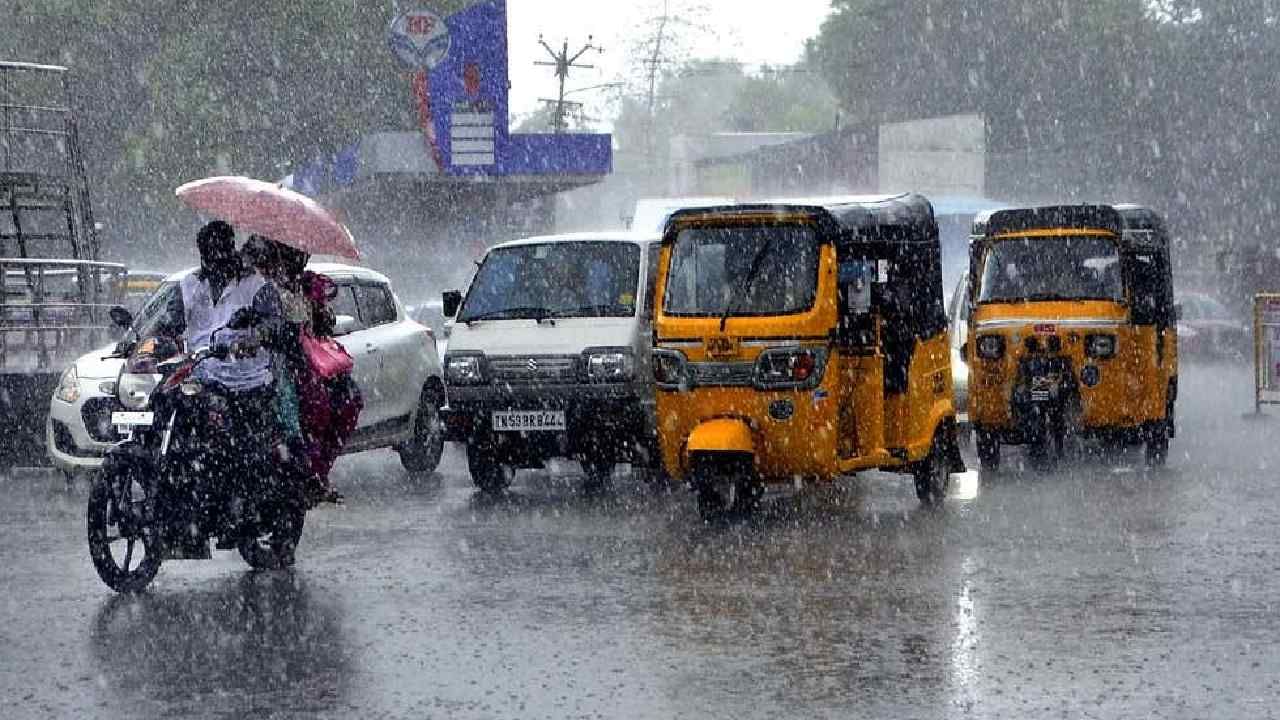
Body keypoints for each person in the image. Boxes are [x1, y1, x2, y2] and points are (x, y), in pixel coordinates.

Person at [164, 221, 286, 542]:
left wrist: (256, 335)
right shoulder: (189, 285)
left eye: (220, 249)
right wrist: (145, 343)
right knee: (170, 415)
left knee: (235, 447)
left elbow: (275, 323)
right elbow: (166, 323)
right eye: (208, 252)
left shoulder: (255, 286)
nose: (214, 258)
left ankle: (240, 508)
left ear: (230, 249)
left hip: (246, 380)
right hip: (202, 376)